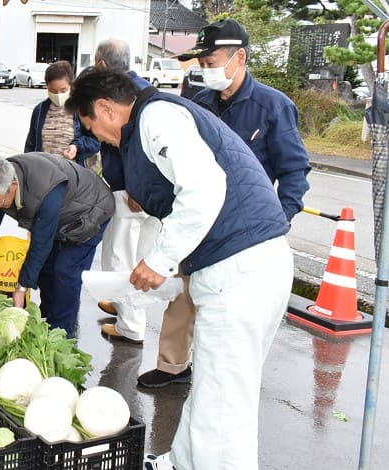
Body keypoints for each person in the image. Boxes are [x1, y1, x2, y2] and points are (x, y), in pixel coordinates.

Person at [70, 69, 293, 470]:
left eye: (91, 126)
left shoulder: (157, 117)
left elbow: (204, 190)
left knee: (224, 403)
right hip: (242, 265)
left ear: (105, 108)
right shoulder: (155, 120)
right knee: (214, 387)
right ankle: (182, 462)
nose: (98, 139)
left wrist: (159, 260)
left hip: (241, 268)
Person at [132, 19, 312, 388]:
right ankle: (173, 366)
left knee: (229, 314)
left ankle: (214, 372)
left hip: (245, 230)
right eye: (201, 63)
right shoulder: (200, 104)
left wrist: (281, 217)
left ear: (239, 57)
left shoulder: (273, 107)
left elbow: (294, 171)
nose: (204, 70)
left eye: (211, 62)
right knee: (183, 294)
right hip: (199, 220)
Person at [0, 154, 113, 337]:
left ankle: (62, 332)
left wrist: (22, 288)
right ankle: (48, 316)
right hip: (62, 212)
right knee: (46, 268)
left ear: (13, 186)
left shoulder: (44, 191)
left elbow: (40, 244)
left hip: (91, 210)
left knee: (65, 271)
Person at [90, 39, 173, 347]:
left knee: (121, 259)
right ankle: (126, 308)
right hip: (150, 191)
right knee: (139, 256)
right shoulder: (146, 88)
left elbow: (130, 145)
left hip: (132, 193)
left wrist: (135, 188)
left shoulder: (118, 94)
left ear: (101, 64)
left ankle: (131, 326)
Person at [24, 60, 100, 165]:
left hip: (72, 174)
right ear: (47, 87)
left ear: (71, 86)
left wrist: (76, 146)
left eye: (63, 90)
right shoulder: (39, 110)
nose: (58, 95)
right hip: (44, 173)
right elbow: (30, 145)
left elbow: (95, 141)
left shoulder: (81, 108)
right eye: (53, 91)